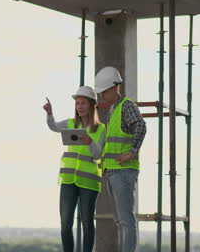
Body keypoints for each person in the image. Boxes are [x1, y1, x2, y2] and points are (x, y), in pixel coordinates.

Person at [43, 86, 106, 252]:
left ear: (92, 105)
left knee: (87, 223)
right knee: (65, 224)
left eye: (83, 103)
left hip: (89, 181)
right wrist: (49, 113)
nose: (79, 106)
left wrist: (90, 142)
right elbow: (54, 127)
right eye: (77, 103)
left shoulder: (100, 129)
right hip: (68, 180)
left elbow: (98, 154)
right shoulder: (71, 123)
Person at [94, 66, 147, 252]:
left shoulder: (127, 106)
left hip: (124, 172)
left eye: (103, 92)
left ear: (115, 87)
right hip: (112, 171)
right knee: (120, 221)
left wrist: (132, 152)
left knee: (126, 221)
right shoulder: (113, 110)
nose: (101, 96)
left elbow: (140, 126)